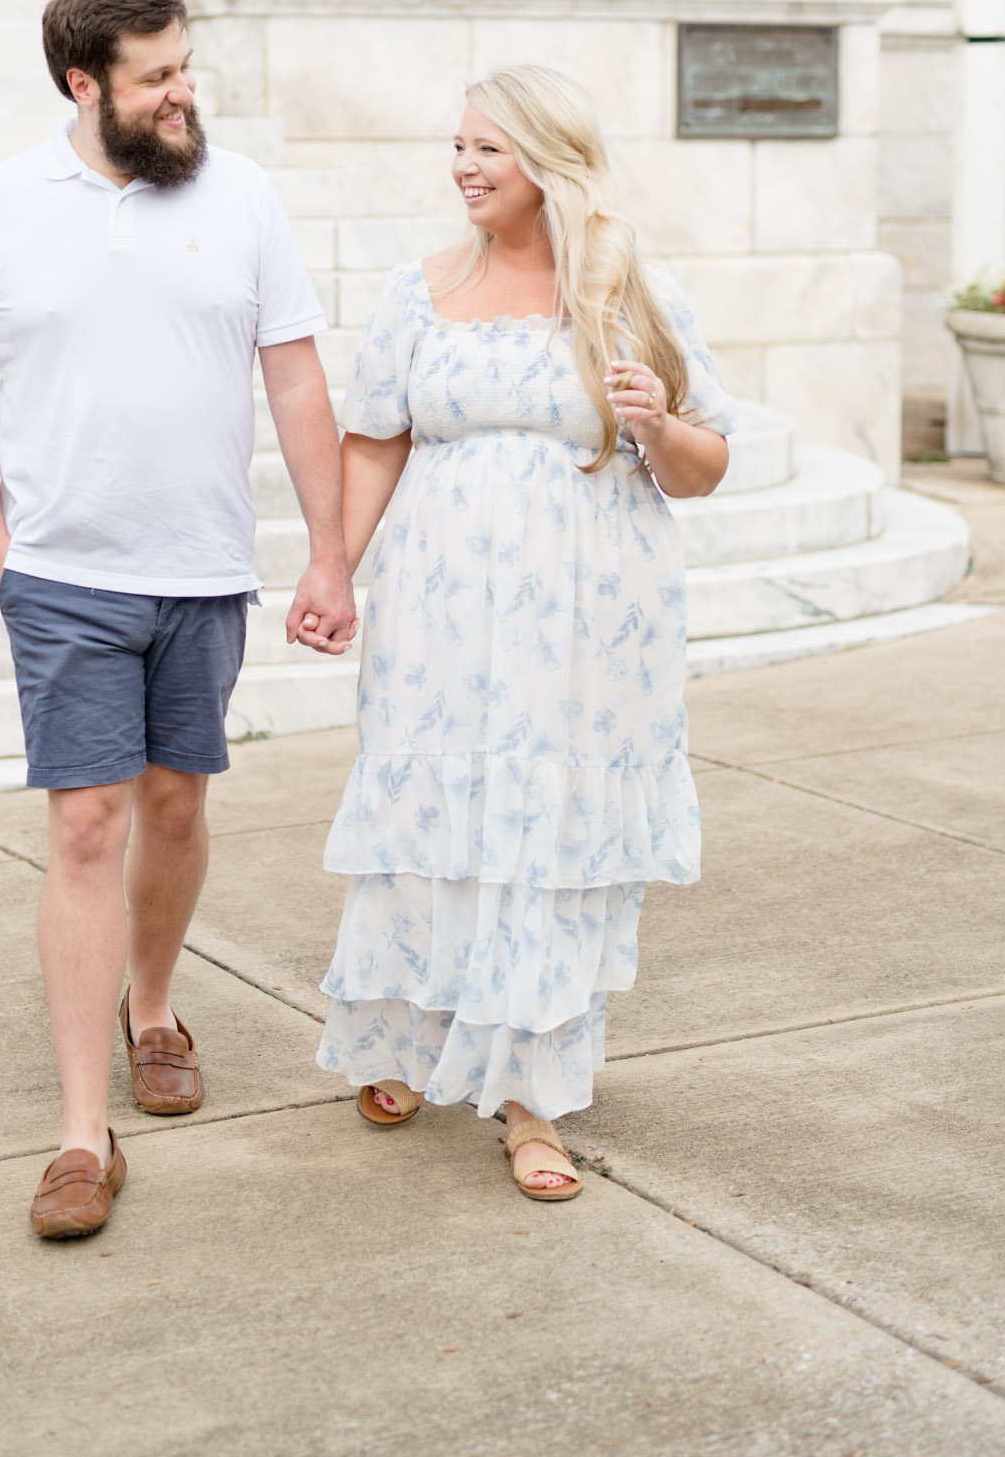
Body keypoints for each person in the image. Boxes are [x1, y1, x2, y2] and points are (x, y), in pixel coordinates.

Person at [0, 0, 357, 1239]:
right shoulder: (2, 203)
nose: (183, 94)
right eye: (155, 77)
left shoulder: (242, 196)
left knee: (175, 801)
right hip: (63, 576)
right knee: (82, 828)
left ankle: (151, 1005)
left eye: (186, 67)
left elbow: (293, 382)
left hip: (204, 566)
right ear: (83, 84)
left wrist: (328, 554)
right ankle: (77, 1133)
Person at [316, 65, 733, 1199]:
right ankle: (412, 1034)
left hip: (585, 627)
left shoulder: (625, 293)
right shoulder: (417, 290)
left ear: (548, 161)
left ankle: (529, 1102)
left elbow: (704, 465)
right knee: (437, 814)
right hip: (440, 615)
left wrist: (655, 422)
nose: (462, 166)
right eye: (457, 145)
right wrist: (329, 569)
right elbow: (374, 440)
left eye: (487, 148)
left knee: (540, 836)